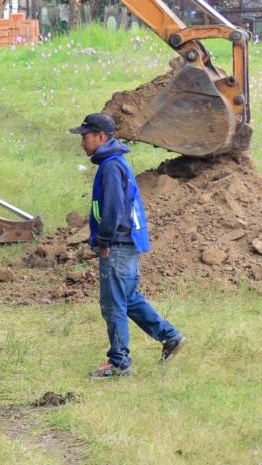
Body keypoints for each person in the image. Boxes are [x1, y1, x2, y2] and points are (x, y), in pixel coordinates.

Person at [70, 112, 185, 378]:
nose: (82, 142)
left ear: (100, 137)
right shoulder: (115, 162)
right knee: (129, 298)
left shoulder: (111, 167)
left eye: (85, 136)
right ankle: (170, 336)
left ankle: (119, 362)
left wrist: (105, 241)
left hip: (118, 244)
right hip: (128, 242)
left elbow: (112, 209)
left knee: (113, 304)